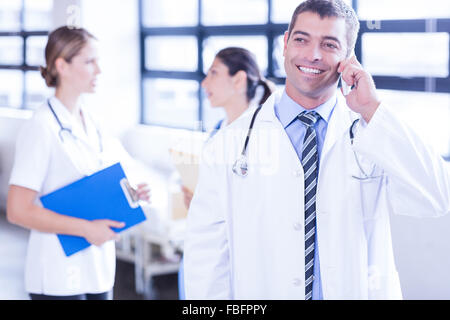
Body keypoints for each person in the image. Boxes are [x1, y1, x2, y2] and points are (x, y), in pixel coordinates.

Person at [184, 0, 450, 300]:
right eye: (301, 39)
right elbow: (205, 260)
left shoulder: (370, 131)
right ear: (285, 43)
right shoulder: (229, 144)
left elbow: (438, 195)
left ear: (348, 57)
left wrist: (373, 110)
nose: (312, 54)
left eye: (329, 44)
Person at [6, 26, 150, 300]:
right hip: (57, 272)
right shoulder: (41, 127)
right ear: (62, 65)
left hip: (98, 269)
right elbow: (17, 210)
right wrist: (86, 229)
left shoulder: (92, 122)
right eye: (89, 61)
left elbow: (104, 180)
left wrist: (132, 193)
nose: (99, 70)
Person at [178, 47, 274, 299]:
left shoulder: (263, 134)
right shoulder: (217, 133)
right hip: (209, 252)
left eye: (214, 73)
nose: (204, 82)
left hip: (243, 258)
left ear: (239, 79)